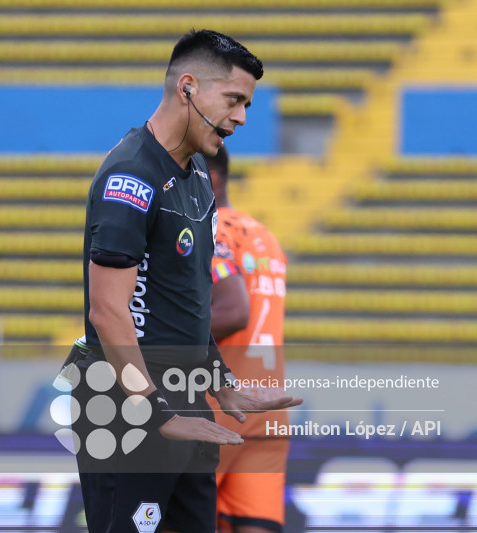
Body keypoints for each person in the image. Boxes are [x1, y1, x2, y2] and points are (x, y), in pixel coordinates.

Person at [69, 29, 301, 532]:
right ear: (189, 88)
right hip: (128, 406)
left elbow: (192, 304)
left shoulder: (197, 178)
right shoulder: (129, 176)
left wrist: (225, 386)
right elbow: (107, 311)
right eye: (234, 100)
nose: (240, 118)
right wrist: (156, 412)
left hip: (186, 402)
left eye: (247, 105)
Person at [206, 146, 290, 533]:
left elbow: (233, 312)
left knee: (173, 517)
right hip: (268, 405)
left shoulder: (211, 229)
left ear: (213, 176)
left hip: (218, 402)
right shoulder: (265, 237)